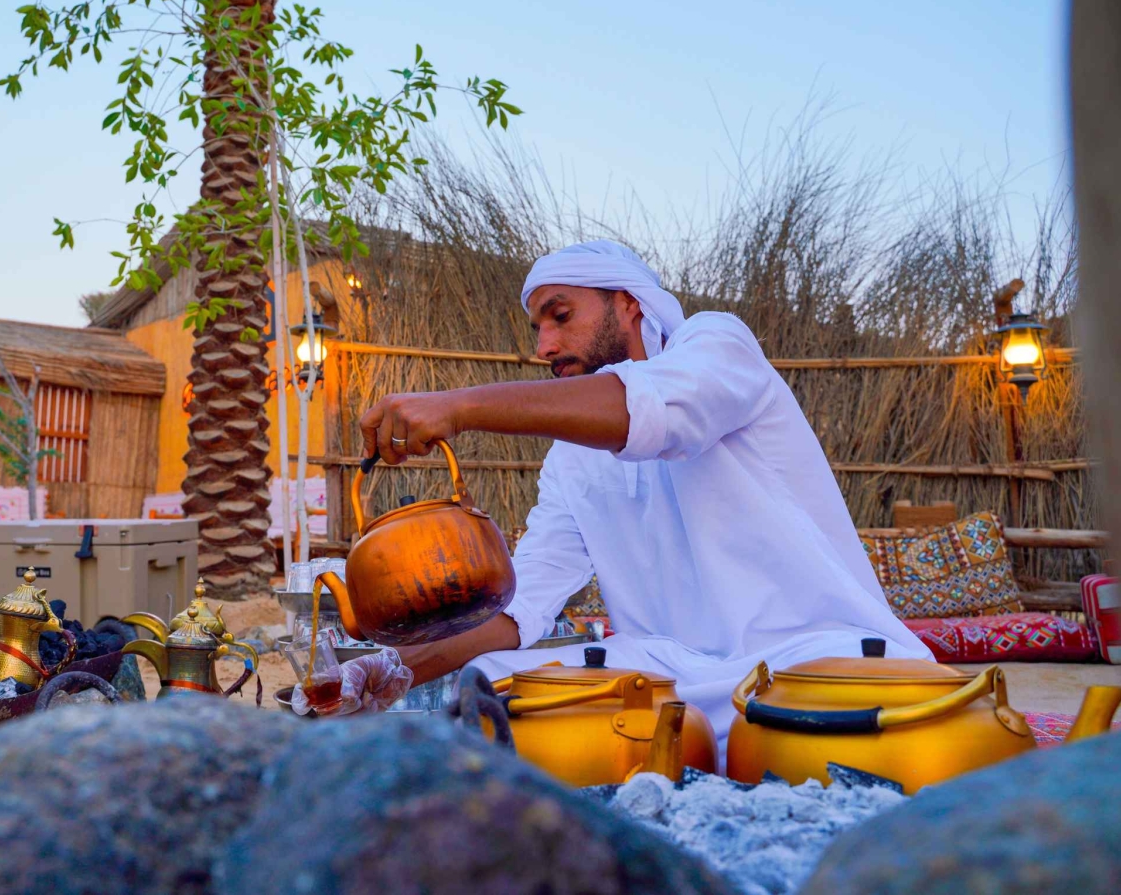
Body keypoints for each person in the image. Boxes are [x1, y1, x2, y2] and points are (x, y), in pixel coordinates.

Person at [358, 239, 930, 752]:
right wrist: (388, 670)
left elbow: (649, 411)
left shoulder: (718, 345)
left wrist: (459, 407)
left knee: (812, 705)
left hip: (807, 661)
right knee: (487, 680)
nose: (545, 345)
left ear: (629, 303)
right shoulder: (571, 457)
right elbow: (523, 602)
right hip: (668, 679)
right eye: (537, 328)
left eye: (561, 316)